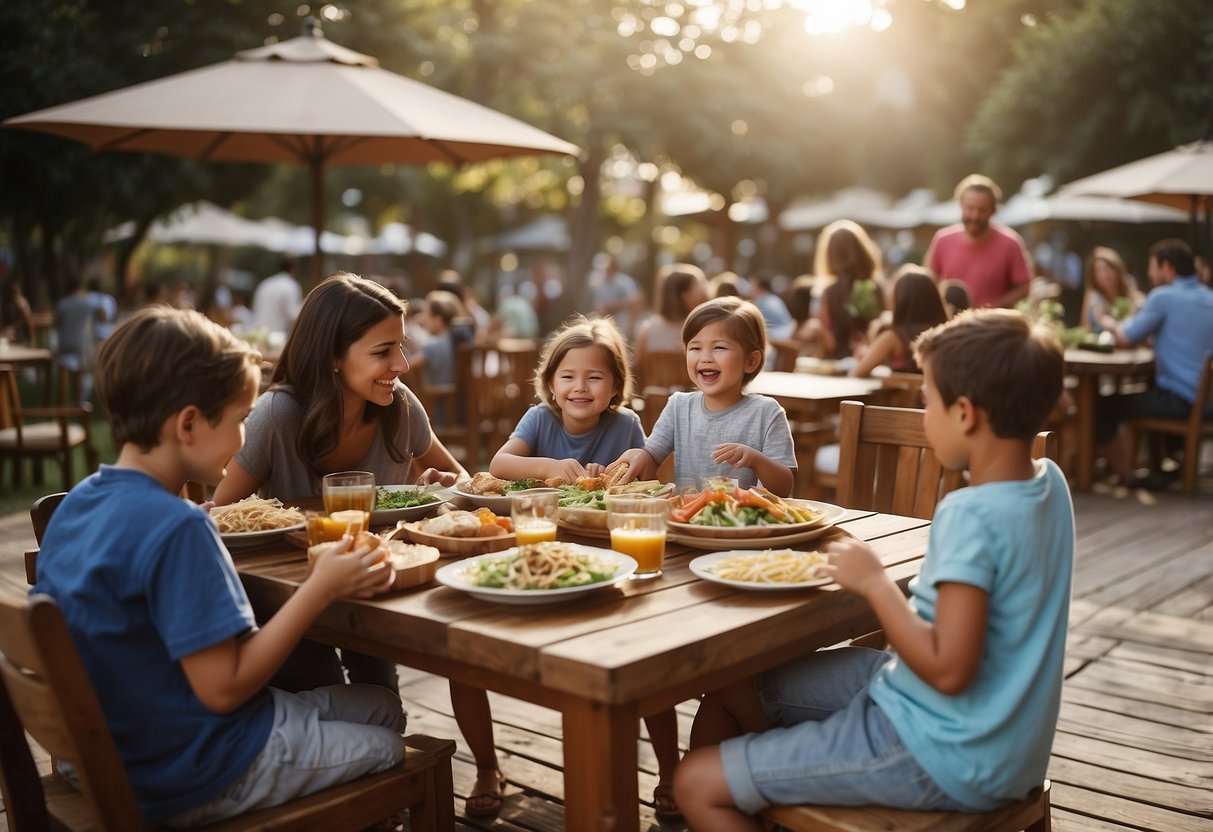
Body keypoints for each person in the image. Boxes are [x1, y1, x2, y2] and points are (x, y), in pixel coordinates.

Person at [673, 309, 1073, 827]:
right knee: (733, 682)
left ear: (967, 414)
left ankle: (778, 779)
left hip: (942, 751)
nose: (924, 415)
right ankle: (784, 778)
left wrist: (874, 583)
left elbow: (948, 669)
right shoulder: (1051, 484)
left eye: (927, 401)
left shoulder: (970, 515)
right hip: (1004, 739)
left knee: (694, 784)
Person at [32, 307, 405, 827]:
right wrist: (318, 589)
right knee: (390, 745)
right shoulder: (179, 528)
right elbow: (225, 687)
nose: (242, 439)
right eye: (237, 421)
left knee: (380, 705)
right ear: (188, 424)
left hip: (116, 747)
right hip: (190, 767)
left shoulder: (76, 506)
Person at [214, 273, 467, 693]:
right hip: (290, 600)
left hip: (374, 586)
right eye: (383, 351)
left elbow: (459, 478)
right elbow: (223, 516)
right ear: (333, 356)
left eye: (401, 346)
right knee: (326, 688)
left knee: (383, 696)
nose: (402, 365)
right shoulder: (278, 415)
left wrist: (441, 482)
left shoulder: (398, 405)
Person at [486, 317, 683, 819]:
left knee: (648, 652)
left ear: (615, 385)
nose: (579, 387)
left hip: (614, 553)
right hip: (547, 553)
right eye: (567, 376)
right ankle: (490, 766)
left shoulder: (626, 427)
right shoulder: (538, 420)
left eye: (594, 377)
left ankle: (669, 771)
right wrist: (550, 468)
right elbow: (499, 466)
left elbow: (647, 485)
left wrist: (617, 475)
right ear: (550, 383)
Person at [610, 296, 796, 497]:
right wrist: (638, 456)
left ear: (751, 361)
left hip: (743, 523)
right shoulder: (679, 406)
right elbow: (651, 458)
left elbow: (784, 488)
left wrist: (756, 460)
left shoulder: (767, 412)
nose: (705, 357)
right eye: (695, 348)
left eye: (719, 347)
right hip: (687, 520)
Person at [1095, 239, 1213, 489]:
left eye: (1152, 267)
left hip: (1180, 401)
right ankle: (1158, 466)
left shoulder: (1164, 296)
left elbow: (1126, 338)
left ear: (1167, 268)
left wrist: (1108, 323)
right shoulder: (1209, 297)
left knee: (1101, 406)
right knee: (1147, 390)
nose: (1149, 274)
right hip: (1206, 402)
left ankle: (1128, 476)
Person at [925, 174, 1033, 309]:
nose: (975, 216)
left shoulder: (1011, 243)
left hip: (993, 326)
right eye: (970, 208)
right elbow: (928, 282)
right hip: (952, 325)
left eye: (982, 210)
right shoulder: (942, 240)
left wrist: (995, 307)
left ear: (993, 210)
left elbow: (1024, 286)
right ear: (961, 206)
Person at [796, 220, 886, 360]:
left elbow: (830, 344)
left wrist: (818, 330)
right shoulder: (876, 288)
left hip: (837, 365)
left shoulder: (830, 292)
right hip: (872, 361)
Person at [851, 266, 948, 377]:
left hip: (903, 394)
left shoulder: (893, 337)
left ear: (899, 299)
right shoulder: (945, 336)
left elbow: (858, 371)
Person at [409, 289, 473, 425]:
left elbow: (405, 368)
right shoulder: (464, 341)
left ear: (438, 320)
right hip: (465, 411)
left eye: (425, 314)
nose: (421, 318)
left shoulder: (433, 346)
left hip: (438, 414)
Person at [633, 263, 709, 374]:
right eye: (698, 286)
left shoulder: (647, 330)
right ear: (684, 295)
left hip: (652, 390)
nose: (704, 291)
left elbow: (637, 370)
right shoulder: (703, 329)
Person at [53, 278, 98, 404]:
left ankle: (61, 405)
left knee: (64, 378)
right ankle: (76, 402)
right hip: (82, 346)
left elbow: (57, 324)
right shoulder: (86, 305)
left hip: (66, 345)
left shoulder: (62, 304)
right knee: (79, 378)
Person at [1081, 246, 1144, 334]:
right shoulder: (1094, 295)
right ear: (1094, 276)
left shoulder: (1129, 284)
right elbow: (1088, 327)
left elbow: (1141, 310)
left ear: (1118, 269)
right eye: (1099, 270)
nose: (1106, 274)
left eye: (1109, 268)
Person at [591, 253, 643, 338]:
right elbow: (598, 305)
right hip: (606, 322)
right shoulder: (600, 284)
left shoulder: (624, 281)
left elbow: (636, 299)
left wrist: (615, 305)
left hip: (623, 322)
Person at [251, 256, 303, 334]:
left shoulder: (265, 283)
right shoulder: (291, 286)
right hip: (277, 337)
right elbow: (294, 316)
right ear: (294, 268)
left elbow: (255, 309)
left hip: (257, 333)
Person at [747, 271, 795, 342]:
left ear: (759, 286)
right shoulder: (772, 299)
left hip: (780, 341)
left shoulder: (763, 303)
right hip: (785, 337)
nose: (749, 289)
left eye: (752, 285)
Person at [87, 277, 118, 341]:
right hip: (109, 331)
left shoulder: (91, 297)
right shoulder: (110, 299)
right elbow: (114, 317)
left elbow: (101, 316)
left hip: (99, 334)